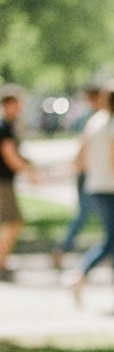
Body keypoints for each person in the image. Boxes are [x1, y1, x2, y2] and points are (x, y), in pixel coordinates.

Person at [70, 84, 114, 314]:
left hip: (94, 185)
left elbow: (80, 157)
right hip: (111, 188)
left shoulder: (94, 122)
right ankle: (80, 275)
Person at [52, 85, 103, 272]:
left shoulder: (94, 118)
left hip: (95, 172)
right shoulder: (91, 120)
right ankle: (63, 248)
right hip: (89, 173)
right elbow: (84, 146)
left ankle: (108, 251)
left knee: (101, 214)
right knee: (85, 214)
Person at [0, 88, 41, 281]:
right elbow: (9, 155)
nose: (20, 108)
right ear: (7, 104)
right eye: (17, 104)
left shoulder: (8, 125)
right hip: (3, 182)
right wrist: (30, 173)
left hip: (5, 181)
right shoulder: (4, 127)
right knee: (14, 221)